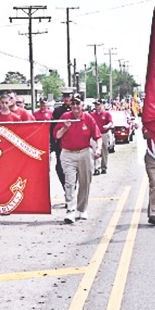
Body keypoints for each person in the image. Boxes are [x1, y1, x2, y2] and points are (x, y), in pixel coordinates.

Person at [54, 94, 102, 223]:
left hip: (84, 153)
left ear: (82, 106)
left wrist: (98, 149)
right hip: (68, 154)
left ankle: (82, 209)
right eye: (73, 104)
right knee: (69, 183)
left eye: (78, 104)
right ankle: (70, 209)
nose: (75, 106)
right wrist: (65, 127)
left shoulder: (88, 118)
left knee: (85, 182)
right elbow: (57, 136)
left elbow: (98, 136)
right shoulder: (65, 117)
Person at [51, 87, 75, 190]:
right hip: (61, 144)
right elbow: (52, 129)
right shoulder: (58, 111)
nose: (66, 99)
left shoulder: (76, 110)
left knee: (74, 169)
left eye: (68, 96)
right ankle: (67, 189)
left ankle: (72, 190)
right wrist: (52, 144)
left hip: (74, 143)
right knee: (60, 169)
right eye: (65, 96)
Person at [91, 99, 113, 175]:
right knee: (95, 151)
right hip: (95, 135)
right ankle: (96, 168)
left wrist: (107, 126)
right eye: (96, 105)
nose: (97, 106)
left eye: (98, 105)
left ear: (102, 105)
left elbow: (110, 122)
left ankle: (104, 167)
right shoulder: (92, 115)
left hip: (103, 134)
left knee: (104, 151)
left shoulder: (106, 114)